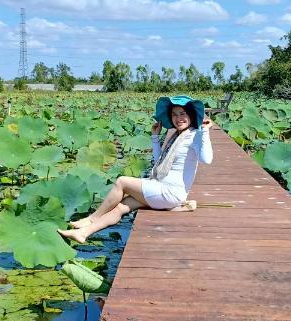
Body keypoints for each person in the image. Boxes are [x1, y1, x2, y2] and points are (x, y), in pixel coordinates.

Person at [58, 95, 213, 244]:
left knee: (121, 182)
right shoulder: (177, 136)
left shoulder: (194, 136)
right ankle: (83, 233)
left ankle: (92, 218)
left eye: (182, 114)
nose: (178, 118)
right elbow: (159, 160)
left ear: (191, 115)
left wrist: (205, 131)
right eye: (174, 115)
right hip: (162, 189)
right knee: (122, 206)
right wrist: (155, 137)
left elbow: (207, 159)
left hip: (169, 191)